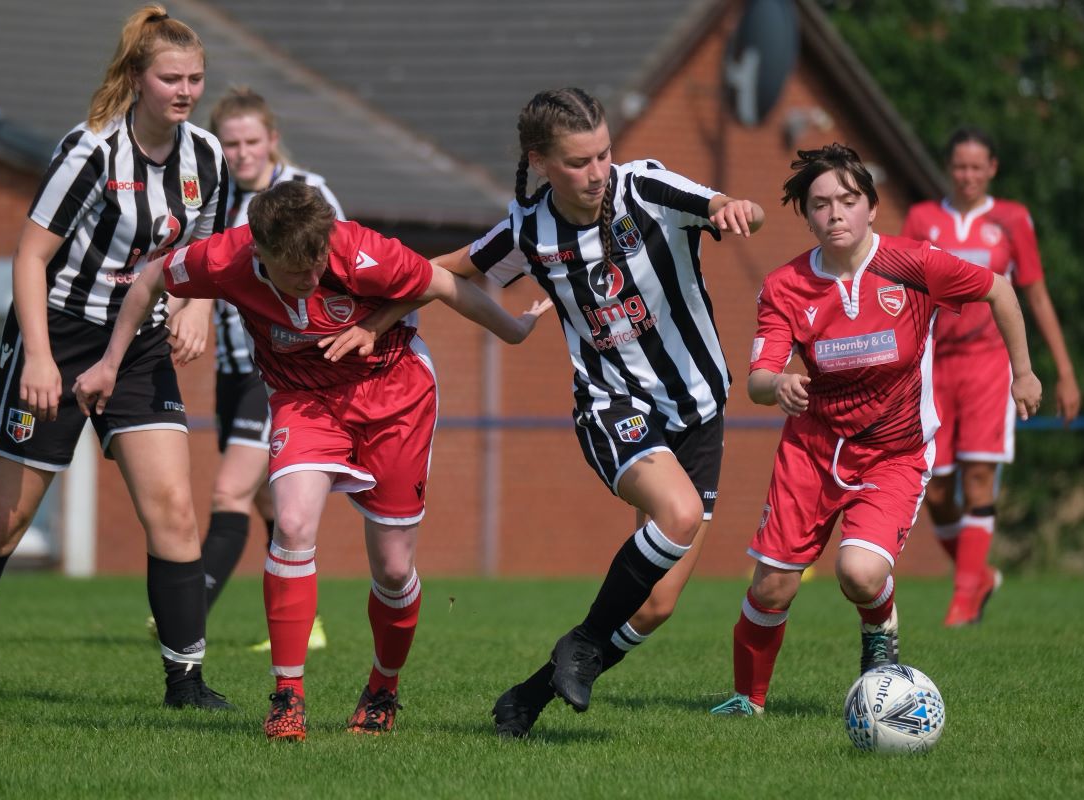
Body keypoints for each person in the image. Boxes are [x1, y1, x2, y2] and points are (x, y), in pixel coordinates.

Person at [341, 87, 763, 737]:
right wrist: (376, 321)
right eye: (577, 162)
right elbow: (444, 271)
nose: (596, 173)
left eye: (602, 155)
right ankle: (585, 647)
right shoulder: (529, 231)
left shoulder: (643, 188)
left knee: (655, 607)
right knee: (676, 515)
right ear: (539, 161)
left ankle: (530, 697)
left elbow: (714, 203)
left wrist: (738, 210)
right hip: (611, 403)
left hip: (700, 409)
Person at [73, 180, 550, 741]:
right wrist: (109, 362)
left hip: (394, 393)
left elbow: (444, 282)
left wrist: (515, 331)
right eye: (295, 270)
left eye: (318, 263)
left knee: (394, 569)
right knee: (293, 525)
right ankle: (287, 696)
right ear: (261, 252)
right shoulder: (228, 257)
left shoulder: (359, 250)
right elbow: (152, 276)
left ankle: (383, 688)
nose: (311, 278)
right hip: (303, 401)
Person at [0, 5, 233, 709]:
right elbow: (29, 256)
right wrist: (40, 359)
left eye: (195, 79)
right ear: (137, 80)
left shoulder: (205, 158)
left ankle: (187, 683)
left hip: (138, 345)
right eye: (170, 78)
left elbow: (209, 254)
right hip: (56, 333)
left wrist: (198, 305)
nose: (184, 91)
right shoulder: (90, 153)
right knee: (4, 522)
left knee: (174, 509)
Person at [709, 144, 1041, 717]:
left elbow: (999, 289)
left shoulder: (915, 263)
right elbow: (759, 378)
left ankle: (880, 626)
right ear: (806, 216)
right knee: (771, 589)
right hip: (811, 452)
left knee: (859, 574)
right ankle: (748, 701)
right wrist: (778, 385)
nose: (835, 213)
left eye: (847, 200)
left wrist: (1025, 373)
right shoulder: (784, 286)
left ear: (870, 207)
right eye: (820, 205)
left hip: (894, 452)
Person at [901, 127, 1080, 627]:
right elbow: (906, 291)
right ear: (948, 167)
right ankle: (976, 574)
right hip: (936, 366)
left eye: (977, 167)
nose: (967, 175)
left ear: (992, 169)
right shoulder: (922, 219)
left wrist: (1062, 371)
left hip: (989, 365)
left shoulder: (1012, 219)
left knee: (980, 475)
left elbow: (1036, 296)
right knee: (934, 488)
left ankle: (962, 603)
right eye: (960, 166)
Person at [192, 87, 340, 652]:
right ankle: (309, 622)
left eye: (252, 141)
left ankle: (186, 608)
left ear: (272, 140)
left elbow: (340, 265)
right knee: (264, 503)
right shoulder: (215, 199)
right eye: (230, 143)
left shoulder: (307, 194)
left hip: (278, 371)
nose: (241, 153)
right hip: (231, 371)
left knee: (230, 492)